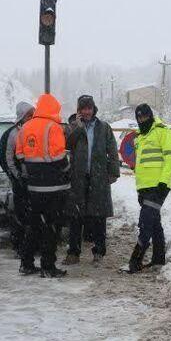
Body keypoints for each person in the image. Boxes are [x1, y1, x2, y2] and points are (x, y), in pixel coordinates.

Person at [15, 94, 71, 277]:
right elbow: (60, 158)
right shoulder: (53, 127)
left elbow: (20, 155)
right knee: (51, 228)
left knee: (34, 226)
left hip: (33, 187)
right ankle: (48, 266)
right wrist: (67, 169)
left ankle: (26, 263)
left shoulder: (25, 127)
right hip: (53, 187)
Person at [66, 95, 120, 265]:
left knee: (99, 215)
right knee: (76, 216)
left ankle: (99, 251)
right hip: (78, 177)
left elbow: (112, 151)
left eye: (89, 108)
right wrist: (79, 127)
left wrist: (113, 173)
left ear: (93, 109)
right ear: (79, 110)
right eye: (83, 108)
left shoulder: (103, 127)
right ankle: (73, 252)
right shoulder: (73, 126)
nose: (87, 112)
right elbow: (68, 144)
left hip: (98, 177)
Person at [128, 103, 171, 273]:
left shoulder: (163, 131)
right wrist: (139, 188)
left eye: (145, 116)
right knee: (154, 223)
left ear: (150, 115)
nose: (142, 120)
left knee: (145, 223)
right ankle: (158, 259)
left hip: (158, 187)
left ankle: (135, 260)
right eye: (139, 117)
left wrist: (163, 182)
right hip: (143, 188)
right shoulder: (139, 137)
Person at [0, 101, 34, 256]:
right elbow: (6, 158)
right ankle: (19, 245)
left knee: (34, 214)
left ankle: (33, 244)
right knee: (20, 213)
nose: (31, 118)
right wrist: (16, 176)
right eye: (29, 115)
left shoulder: (34, 131)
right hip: (20, 181)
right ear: (21, 116)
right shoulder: (11, 134)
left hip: (34, 180)